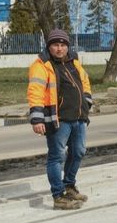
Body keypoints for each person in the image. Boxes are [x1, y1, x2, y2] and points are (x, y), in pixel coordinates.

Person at [27, 29, 93, 210]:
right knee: (56, 157)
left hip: (79, 117)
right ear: (49, 46)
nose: (59, 48)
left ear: (67, 47)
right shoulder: (41, 65)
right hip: (58, 119)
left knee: (78, 151)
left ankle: (69, 185)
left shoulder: (74, 62)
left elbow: (85, 82)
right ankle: (58, 196)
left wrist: (87, 101)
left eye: (63, 45)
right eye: (55, 45)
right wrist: (37, 119)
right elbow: (36, 92)